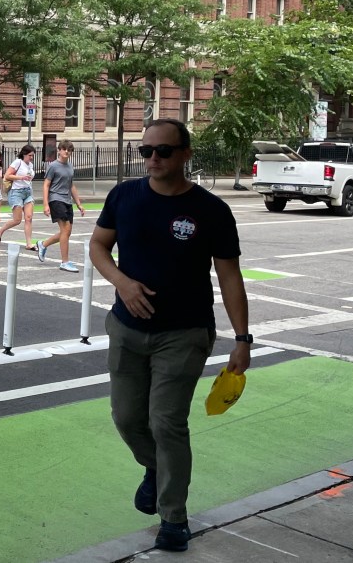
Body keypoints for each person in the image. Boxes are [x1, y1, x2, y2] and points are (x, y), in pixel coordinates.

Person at [89, 118, 250, 553]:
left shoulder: (211, 210)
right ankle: (156, 469)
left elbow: (230, 276)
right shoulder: (124, 196)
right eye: (146, 152)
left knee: (167, 423)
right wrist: (122, 283)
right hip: (126, 328)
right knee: (127, 419)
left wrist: (242, 339)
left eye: (163, 151)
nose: (153, 159)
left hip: (185, 332)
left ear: (185, 154)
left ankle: (173, 517)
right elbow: (98, 247)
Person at [37, 139, 85, 271]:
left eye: (69, 150)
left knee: (67, 232)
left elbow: (71, 185)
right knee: (66, 229)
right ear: (59, 150)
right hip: (56, 199)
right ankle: (65, 262)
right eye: (64, 149)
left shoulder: (70, 167)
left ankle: (43, 244)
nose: (67, 152)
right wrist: (45, 204)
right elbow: (46, 185)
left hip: (67, 200)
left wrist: (78, 204)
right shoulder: (53, 166)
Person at [0, 145, 38, 250]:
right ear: (24, 154)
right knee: (17, 220)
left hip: (27, 192)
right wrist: (21, 177)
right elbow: (7, 175)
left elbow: (29, 178)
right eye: (30, 155)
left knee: (29, 218)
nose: (31, 157)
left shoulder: (31, 165)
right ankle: (0, 231)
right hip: (16, 192)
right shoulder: (17, 162)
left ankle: (29, 243)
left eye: (33, 155)